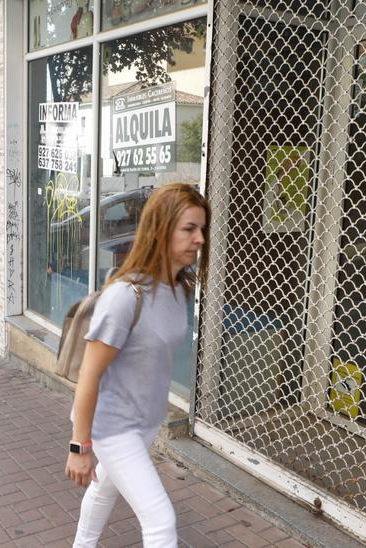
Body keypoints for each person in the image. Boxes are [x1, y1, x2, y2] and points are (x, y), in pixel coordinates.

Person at [66, 183, 210, 548]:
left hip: (145, 421)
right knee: (160, 521)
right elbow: (90, 375)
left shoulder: (179, 287)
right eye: (189, 229)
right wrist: (79, 447)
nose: (199, 239)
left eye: (202, 229)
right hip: (114, 427)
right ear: (161, 229)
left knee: (104, 490)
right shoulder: (125, 296)